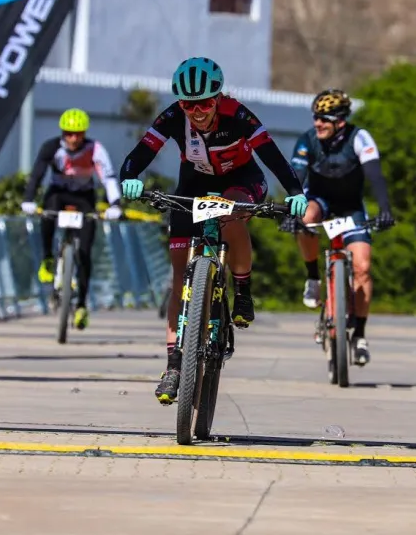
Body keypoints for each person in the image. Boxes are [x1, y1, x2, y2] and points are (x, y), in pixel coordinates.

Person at [117, 56, 308, 405]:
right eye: (190, 104)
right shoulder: (174, 117)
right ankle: (174, 365)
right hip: (193, 184)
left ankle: (243, 289)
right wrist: (129, 178)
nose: (197, 111)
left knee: (230, 215)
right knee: (179, 271)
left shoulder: (238, 114)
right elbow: (141, 152)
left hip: (241, 181)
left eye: (205, 102)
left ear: (218, 97)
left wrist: (295, 192)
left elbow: (272, 155)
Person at [284, 88, 394, 365]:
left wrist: (385, 210)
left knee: (363, 268)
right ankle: (312, 278)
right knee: (305, 217)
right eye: (315, 117)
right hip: (319, 200)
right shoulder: (308, 139)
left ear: (341, 122)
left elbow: (375, 175)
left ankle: (359, 334)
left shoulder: (360, 138)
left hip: (350, 207)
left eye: (324, 119)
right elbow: (296, 177)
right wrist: (290, 211)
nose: (317, 123)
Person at [21, 107, 123, 331]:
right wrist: (29, 199)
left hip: (84, 197)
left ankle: (82, 305)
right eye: (68, 133)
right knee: (47, 214)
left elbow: (108, 177)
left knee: (84, 251)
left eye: (78, 134)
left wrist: (115, 205)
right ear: (62, 132)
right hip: (58, 193)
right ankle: (48, 257)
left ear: (85, 133)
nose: (73, 138)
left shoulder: (95, 149)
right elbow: (36, 174)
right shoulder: (51, 147)